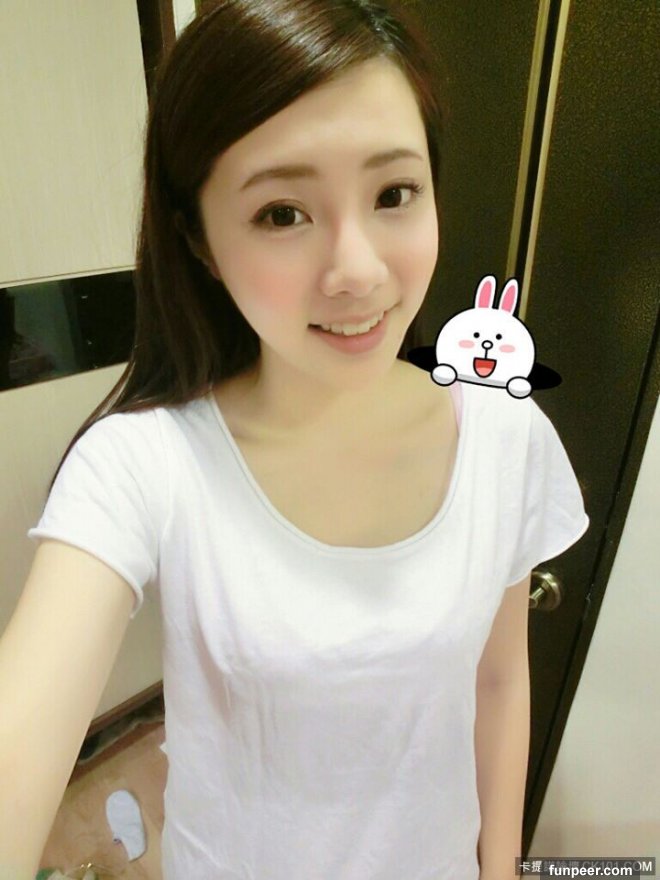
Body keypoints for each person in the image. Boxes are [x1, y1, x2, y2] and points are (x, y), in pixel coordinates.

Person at [0, 1, 589, 878]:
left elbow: (499, 679)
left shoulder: (504, 436)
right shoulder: (147, 462)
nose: (358, 270)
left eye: (394, 194)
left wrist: (499, 868)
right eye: (282, 213)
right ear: (200, 239)